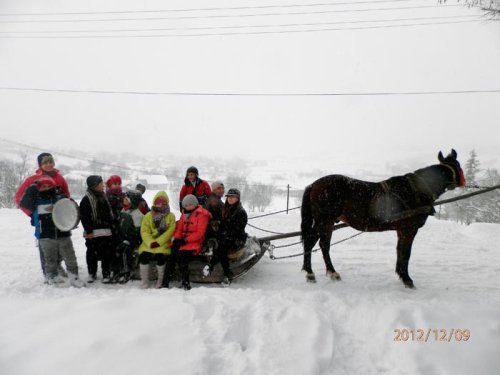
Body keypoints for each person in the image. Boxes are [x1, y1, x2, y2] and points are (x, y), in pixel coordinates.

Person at [19, 175, 84, 287]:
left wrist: (72, 221)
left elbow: (72, 210)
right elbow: (23, 203)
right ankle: (52, 276)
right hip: (45, 235)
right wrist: (33, 186)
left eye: (49, 186)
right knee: (50, 259)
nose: (46, 188)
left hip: (63, 234)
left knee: (70, 257)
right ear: (38, 188)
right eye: (43, 186)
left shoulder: (61, 197)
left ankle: (74, 277)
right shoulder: (36, 200)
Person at [15, 152, 69, 279]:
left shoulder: (60, 179)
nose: (49, 164)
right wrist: (33, 215)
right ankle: (49, 273)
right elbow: (19, 199)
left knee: (60, 243)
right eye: (45, 162)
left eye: (51, 161)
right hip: (42, 221)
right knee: (46, 246)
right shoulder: (33, 180)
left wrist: (66, 213)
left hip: (59, 219)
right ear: (40, 164)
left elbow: (67, 196)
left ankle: (57, 265)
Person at [203, 188, 248, 286]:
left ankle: (226, 273)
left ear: (237, 198)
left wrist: (224, 234)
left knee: (222, 247)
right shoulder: (225, 209)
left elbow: (238, 229)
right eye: (229, 197)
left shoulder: (241, 212)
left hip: (237, 238)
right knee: (211, 239)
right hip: (225, 235)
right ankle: (209, 263)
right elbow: (222, 224)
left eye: (233, 197)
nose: (230, 199)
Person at [167, 194, 211, 290]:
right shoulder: (184, 214)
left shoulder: (202, 214)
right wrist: (177, 239)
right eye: (186, 205)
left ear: (195, 204)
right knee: (171, 254)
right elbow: (179, 228)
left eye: (190, 204)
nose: (188, 207)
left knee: (183, 258)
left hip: (195, 242)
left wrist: (185, 240)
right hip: (184, 240)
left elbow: (200, 233)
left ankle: (185, 282)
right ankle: (166, 280)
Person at [79, 175, 118, 284]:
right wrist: (89, 230)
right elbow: (85, 217)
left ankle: (106, 273)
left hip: (106, 231)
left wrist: (112, 226)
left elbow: (108, 214)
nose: (103, 185)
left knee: (106, 253)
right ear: (95, 185)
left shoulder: (104, 196)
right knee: (92, 253)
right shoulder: (86, 199)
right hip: (93, 233)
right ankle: (92, 273)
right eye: (101, 183)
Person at [138, 191, 176, 289]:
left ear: (167, 203)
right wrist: (150, 242)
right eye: (158, 202)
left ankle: (160, 280)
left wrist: (158, 242)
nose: (161, 205)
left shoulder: (170, 216)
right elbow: (144, 231)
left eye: (163, 202)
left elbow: (170, 231)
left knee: (161, 257)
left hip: (163, 243)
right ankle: (144, 281)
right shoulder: (148, 216)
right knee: (143, 256)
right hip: (149, 243)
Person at [116, 190, 145, 283]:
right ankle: (117, 269)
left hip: (133, 240)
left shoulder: (137, 215)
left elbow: (137, 233)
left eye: (126, 199)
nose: (124, 199)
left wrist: (127, 240)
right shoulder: (123, 210)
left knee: (124, 250)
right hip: (122, 238)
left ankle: (126, 271)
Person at [205, 180, 225, 254]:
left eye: (222, 188)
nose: (221, 190)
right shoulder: (214, 201)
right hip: (213, 229)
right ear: (213, 190)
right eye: (219, 189)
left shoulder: (214, 199)